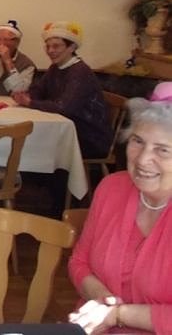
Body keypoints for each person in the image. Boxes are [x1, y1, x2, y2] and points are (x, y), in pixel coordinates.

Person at [67, 82, 172, 334]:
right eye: (138, 141)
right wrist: (103, 302)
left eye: (163, 150)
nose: (143, 159)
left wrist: (118, 314)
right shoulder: (112, 188)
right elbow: (79, 262)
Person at [13, 21, 111, 160]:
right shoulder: (56, 67)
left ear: (72, 47)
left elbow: (64, 108)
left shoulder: (80, 71)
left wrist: (30, 102)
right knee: (28, 139)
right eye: (48, 46)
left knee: (32, 143)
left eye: (56, 46)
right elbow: (39, 90)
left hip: (88, 137)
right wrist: (25, 95)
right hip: (67, 129)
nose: (50, 51)